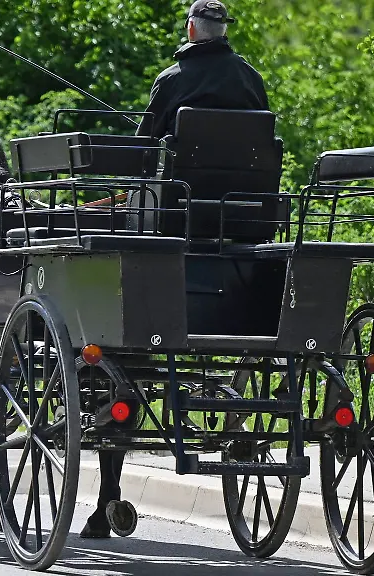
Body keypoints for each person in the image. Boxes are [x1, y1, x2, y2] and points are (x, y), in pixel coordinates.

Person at [81, 1, 269, 540]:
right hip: (244, 227)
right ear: (224, 32)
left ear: (190, 29)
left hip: (177, 226)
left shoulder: (172, 79)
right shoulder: (251, 81)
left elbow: (143, 154)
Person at [135, 0, 269, 140]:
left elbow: (144, 144)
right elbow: (265, 134)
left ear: (191, 27)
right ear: (224, 31)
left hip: (182, 162)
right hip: (245, 162)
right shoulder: (251, 77)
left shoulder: (169, 79)